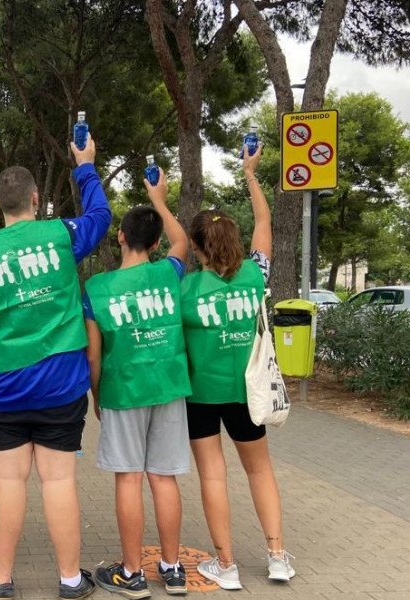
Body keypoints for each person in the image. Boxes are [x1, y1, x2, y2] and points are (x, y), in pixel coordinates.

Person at [0, 135, 112, 600]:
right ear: (36, 200)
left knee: (7, 480)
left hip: (1, 389)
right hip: (61, 386)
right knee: (59, 479)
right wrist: (85, 166)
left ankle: (1, 579)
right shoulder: (62, 235)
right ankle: (69, 580)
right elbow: (101, 218)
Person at [180, 144, 294, 589]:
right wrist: (250, 174)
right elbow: (264, 223)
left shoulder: (185, 288)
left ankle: (225, 565)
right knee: (260, 470)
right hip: (250, 392)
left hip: (201, 395)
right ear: (233, 239)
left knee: (213, 474)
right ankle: (277, 556)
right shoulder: (255, 274)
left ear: (196, 246)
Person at [84, 167, 191, 599]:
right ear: (156, 243)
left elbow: (94, 353)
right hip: (168, 386)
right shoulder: (170, 271)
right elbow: (183, 241)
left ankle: (132, 573)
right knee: (164, 477)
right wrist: (160, 199)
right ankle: (172, 568)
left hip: (122, 390)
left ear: (120, 238)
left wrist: (96, 395)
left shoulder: (97, 286)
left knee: (128, 478)